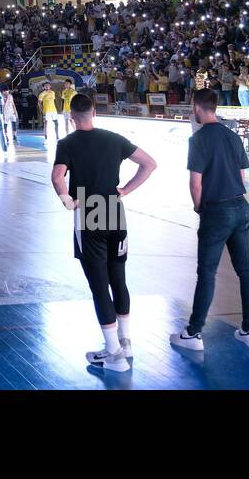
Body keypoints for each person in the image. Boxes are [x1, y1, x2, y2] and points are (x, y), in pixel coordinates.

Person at [51, 93, 157, 372]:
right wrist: (125, 190)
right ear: (94, 113)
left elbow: (57, 176)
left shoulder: (67, 143)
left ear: (71, 117)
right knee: (118, 279)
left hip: (88, 209)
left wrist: (66, 199)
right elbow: (149, 164)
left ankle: (113, 354)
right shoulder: (114, 139)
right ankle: (126, 341)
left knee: (99, 285)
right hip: (114, 207)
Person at [172, 89, 249, 352]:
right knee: (246, 270)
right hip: (240, 206)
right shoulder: (233, 137)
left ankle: (194, 331)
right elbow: (243, 176)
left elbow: (195, 182)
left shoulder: (198, 139)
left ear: (197, 107)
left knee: (207, 272)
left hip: (216, 210)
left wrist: (199, 207)